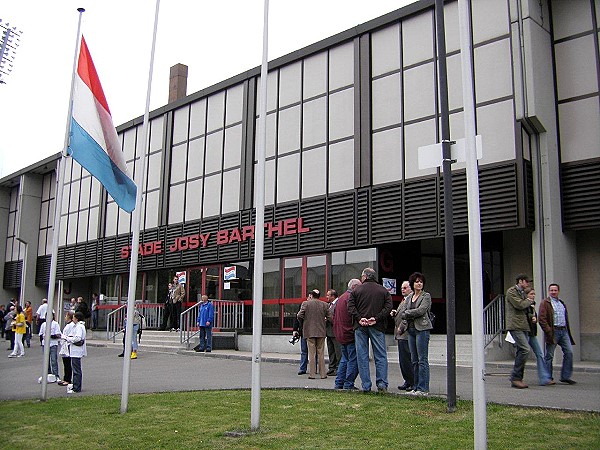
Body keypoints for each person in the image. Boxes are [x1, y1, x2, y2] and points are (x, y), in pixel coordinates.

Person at [347, 267, 393, 393]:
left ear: (365, 277)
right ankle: (382, 383)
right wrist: (376, 318)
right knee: (380, 356)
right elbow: (389, 307)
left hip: (360, 327)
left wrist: (359, 318)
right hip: (377, 326)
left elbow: (350, 306)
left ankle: (366, 385)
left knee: (362, 356)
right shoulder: (383, 290)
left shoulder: (356, 291)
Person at [400, 272, 433, 396]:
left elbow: (422, 310)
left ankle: (423, 388)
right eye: (417, 281)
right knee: (413, 359)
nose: (419, 283)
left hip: (422, 329)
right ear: (412, 284)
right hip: (411, 329)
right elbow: (403, 311)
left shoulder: (426, 296)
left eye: (421, 282)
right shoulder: (409, 297)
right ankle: (415, 386)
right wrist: (407, 314)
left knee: (422, 359)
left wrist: (408, 313)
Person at [539, 283, 576, 385]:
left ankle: (565, 376)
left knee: (569, 352)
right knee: (549, 355)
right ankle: (547, 377)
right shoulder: (545, 303)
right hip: (553, 331)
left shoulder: (561, 303)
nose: (553, 292)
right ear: (549, 291)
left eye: (555, 290)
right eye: (551, 290)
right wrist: (548, 330)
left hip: (563, 331)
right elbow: (542, 319)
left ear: (558, 291)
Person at [505, 274, 534, 389]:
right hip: (515, 325)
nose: (528, 284)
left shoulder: (522, 293)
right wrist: (529, 300)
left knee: (521, 351)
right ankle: (515, 377)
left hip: (524, 325)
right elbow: (519, 305)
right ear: (520, 281)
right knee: (525, 350)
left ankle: (518, 378)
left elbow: (526, 309)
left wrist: (532, 315)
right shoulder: (511, 292)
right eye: (526, 282)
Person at [297, 289, 332, 379]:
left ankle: (312, 374)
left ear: (311, 295)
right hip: (321, 331)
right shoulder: (324, 304)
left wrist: (304, 323)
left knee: (311, 353)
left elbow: (299, 315)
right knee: (321, 353)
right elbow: (330, 317)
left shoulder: (305, 304)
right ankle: (323, 374)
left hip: (309, 331)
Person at [333, 279, 361, 390]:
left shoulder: (340, 298)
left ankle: (339, 383)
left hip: (341, 334)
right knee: (353, 360)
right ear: (354, 287)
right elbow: (353, 315)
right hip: (349, 333)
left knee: (345, 359)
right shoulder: (351, 298)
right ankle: (348, 384)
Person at [523, 288, 554, 386]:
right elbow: (521, 317)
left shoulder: (532, 305)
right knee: (523, 354)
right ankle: (518, 376)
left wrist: (534, 319)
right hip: (525, 332)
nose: (533, 296)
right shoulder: (524, 304)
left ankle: (544, 378)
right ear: (526, 295)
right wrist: (530, 318)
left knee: (539, 354)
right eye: (531, 294)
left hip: (532, 333)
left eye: (534, 294)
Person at [391, 280, 415, 391]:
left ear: (411, 288)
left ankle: (412, 381)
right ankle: (407, 380)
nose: (403, 290)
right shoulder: (404, 300)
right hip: (400, 334)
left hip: (405, 334)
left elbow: (408, 316)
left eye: (405, 288)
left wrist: (401, 328)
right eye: (402, 288)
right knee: (403, 360)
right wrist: (395, 313)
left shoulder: (411, 299)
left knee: (407, 359)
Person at [64, 311, 87, 394]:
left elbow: (77, 338)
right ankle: (76, 385)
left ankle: (76, 387)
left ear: (76, 318)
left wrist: (68, 339)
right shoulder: (78, 326)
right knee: (76, 369)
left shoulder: (79, 327)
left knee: (76, 369)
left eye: (73, 317)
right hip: (75, 350)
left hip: (76, 351)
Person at [39, 313, 61, 382]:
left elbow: (58, 334)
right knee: (46, 360)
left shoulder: (55, 324)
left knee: (53, 360)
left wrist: (51, 336)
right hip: (45, 344)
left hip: (53, 344)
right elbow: (41, 334)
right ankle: (48, 374)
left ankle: (56, 375)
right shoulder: (44, 324)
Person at [325, 289, 342, 376]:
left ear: (333, 296)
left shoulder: (338, 304)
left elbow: (337, 318)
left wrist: (328, 318)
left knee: (338, 351)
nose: (326, 297)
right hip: (328, 332)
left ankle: (339, 368)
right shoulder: (328, 305)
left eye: (328, 295)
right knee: (331, 351)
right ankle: (331, 368)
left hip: (336, 332)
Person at [58, 311, 75, 387]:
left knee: (67, 363)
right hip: (65, 345)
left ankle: (68, 379)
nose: (65, 317)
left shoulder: (70, 326)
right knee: (65, 363)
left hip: (67, 345)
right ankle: (66, 378)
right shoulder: (68, 325)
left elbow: (68, 336)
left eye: (66, 316)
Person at [292, 308, 309, 375]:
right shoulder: (303, 305)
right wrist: (295, 329)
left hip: (312, 333)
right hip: (303, 332)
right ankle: (303, 368)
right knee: (304, 351)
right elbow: (297, 317)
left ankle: (313, 368)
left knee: (313, 352)